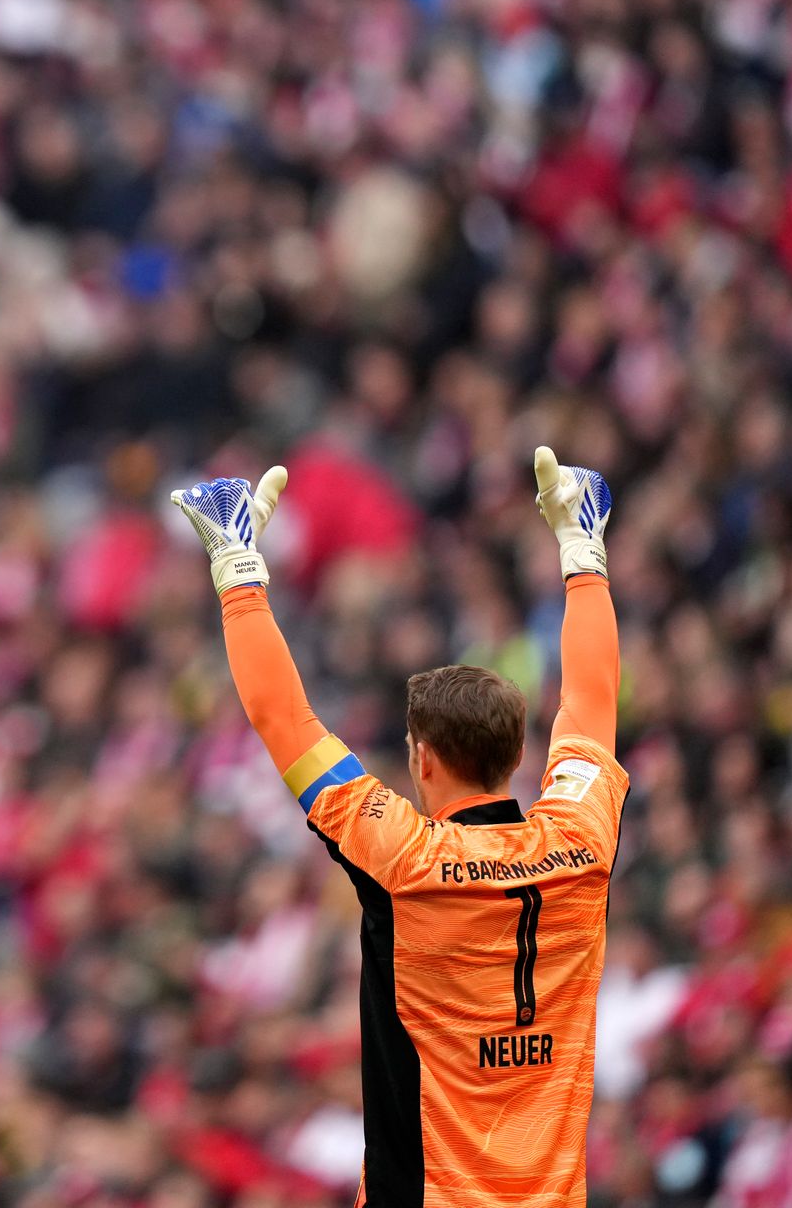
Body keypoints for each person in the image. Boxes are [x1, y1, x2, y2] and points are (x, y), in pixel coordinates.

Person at [171, 447, 628, 1208]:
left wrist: (237, 567)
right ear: (519, 755)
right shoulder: (583, 838)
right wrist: (583, 552)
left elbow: (281, 718)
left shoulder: (405, 858)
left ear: (420, 759)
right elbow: (593, 701)